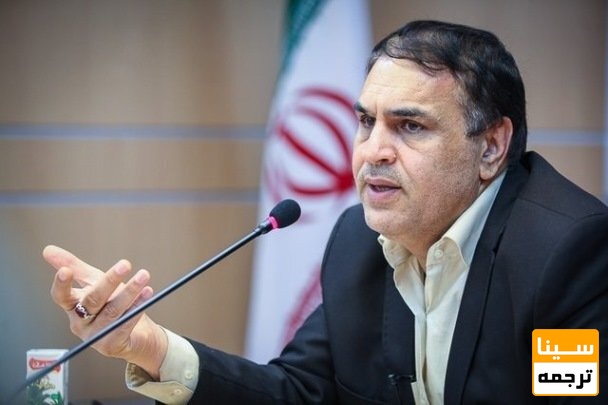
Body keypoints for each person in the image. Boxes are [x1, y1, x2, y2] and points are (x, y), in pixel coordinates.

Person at [43, 20, 608, 404]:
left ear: (491, 147)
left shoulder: (567, 253)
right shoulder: (360, 240)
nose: (373, 151)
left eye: (410, 126)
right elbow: (299, 391)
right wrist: (149, 346)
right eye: (366, 122)